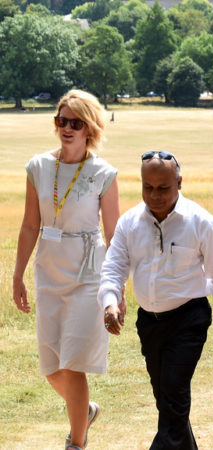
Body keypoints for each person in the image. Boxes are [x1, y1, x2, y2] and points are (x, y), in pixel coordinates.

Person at [100, 152, 213, 449]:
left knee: (173, 394)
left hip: (189, 319)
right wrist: (111, 302)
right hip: (149, 322)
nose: (154, 195)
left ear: (179, 182)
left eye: (163, 188)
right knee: (167, 400)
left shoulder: (200, 221)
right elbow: (113, 267)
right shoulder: (129, 222)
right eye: (147, 187)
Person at [12, 89, 120, 450]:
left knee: (74, 364)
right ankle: (84, 410)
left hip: (89, 275)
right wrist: (17, 275)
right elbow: (30, 225)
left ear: (90, 127)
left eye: (76, 122)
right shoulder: (38, 166)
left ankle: (76, 442)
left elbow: (113, 234)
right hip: (49, 272)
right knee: (51, 367)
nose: (67, 128)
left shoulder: (103, 173)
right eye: (62, 121)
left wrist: (115, 289)